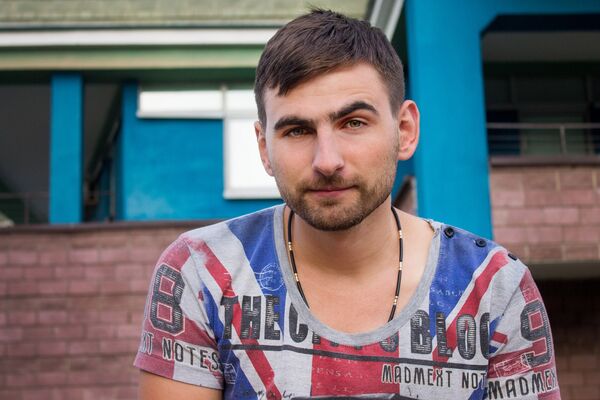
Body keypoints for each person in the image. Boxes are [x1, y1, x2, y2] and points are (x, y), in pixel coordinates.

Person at [134, 9, 560, 400]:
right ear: (264, 148)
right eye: (297, 131)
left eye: (353, 123)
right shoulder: (201, 272)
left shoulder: (493, 286)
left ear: (405, 130)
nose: (327, 161)